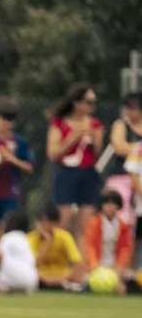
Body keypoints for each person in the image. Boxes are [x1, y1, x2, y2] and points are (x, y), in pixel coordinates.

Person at [46, 83, 103, 237]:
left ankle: (82, 252)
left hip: (88, 173)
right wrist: (72, 138)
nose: (92, 106)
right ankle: (60, 250)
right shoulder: (59, 123)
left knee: (86, 226)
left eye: (94, 102)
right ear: (76, 103)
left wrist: (94, 139)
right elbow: (53, 153)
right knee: (63, 221)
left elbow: (97, 153)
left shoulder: (95, 124)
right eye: (88, 102)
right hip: (65, 172)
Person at [0, 98, 36, 248]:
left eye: (11, 119)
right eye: (3, 118)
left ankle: (8, 258)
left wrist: (12, 159)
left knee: (6, 229)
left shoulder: (19, 142)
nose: (6, 123)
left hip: (12, 193)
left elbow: (29, 167)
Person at [82, 188, 134, 289]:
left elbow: (125, 249)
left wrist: (119, 267)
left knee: (131, 278)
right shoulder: (94, 223)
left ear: (118, 206)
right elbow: (90, 246)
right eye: (106, 204)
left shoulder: (123, 226)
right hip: (97, 266)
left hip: (115, 267)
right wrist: (94, 265)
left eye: (113, 204)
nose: (109, 207)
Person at [27, 203, 85, 290]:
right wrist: (47, 242)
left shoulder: (64, 237)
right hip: (39, 277)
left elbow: (77, 262)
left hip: (62, 276)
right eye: (40, 221)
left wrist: (63, 278)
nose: (43, 225)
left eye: (47, 222)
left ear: (55, 224)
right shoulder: (30, 238)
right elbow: (31, 263)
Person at [105, 93, 142, 227]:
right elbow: (119, 146)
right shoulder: (121, 125)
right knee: (122, 214)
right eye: (126, 107)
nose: (128, 111)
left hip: (140, 176)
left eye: (132, 108)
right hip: (122, 175)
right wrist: (138, 149)